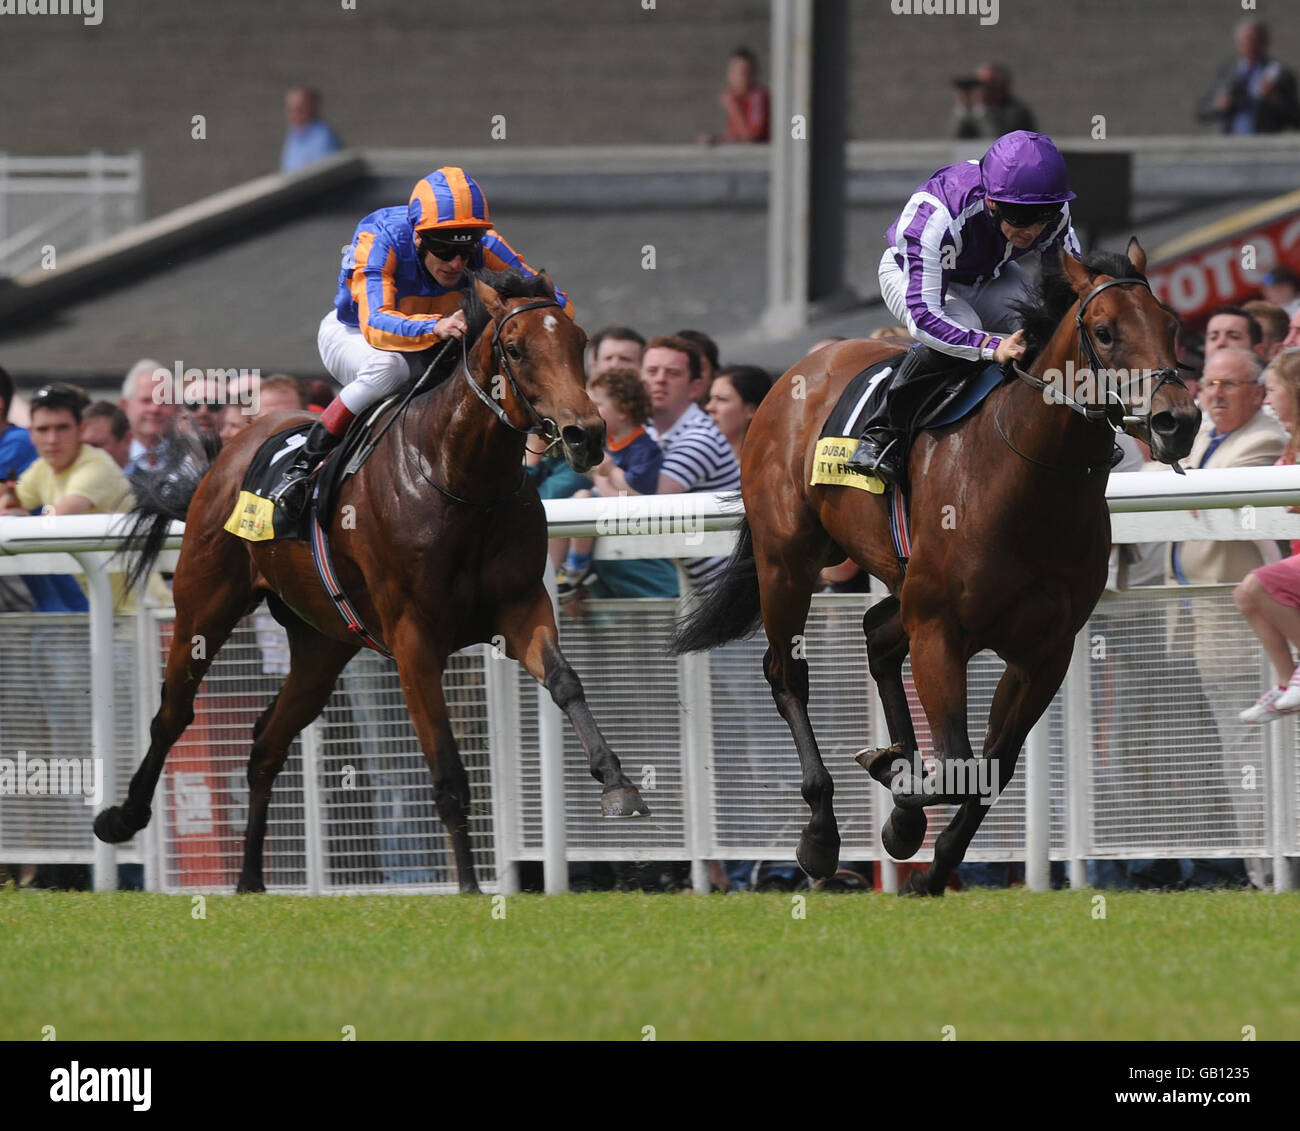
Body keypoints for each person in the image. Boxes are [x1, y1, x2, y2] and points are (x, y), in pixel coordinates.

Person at [273, 166, 571, 517]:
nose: (457, 262)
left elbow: (555, 302)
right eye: (444, 249)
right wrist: (435, 326)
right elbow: (376, 324)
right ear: (418, 238)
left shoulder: (486, 246)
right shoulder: (380, 236)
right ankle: (302, 467)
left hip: (436, 338)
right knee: (389, 367)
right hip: (354, 335)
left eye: (467, 248)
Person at [846, 131, 1081, 482]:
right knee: (966, 326)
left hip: (988, 275)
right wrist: (991, 346)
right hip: (914, 278)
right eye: (1019, 216)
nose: (1032, 230)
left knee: (1043, 327)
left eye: (1042, 216)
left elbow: (1068, 290)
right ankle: (883, 432)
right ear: (991, 202)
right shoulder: (939, 213)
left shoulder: (1055, 212)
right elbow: (925, 318)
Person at [1167, 348, 1285, 891]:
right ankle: (1252, 871)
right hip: (1192, 630)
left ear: (1259, 393)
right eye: (1209, 383)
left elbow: (1197, 497)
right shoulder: (1200, 435)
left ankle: (1276, 870)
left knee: (1258, 761)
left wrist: (1176, 485)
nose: (1213, 394)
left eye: (1229, 385)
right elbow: (1166, 481)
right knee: (1220, 761)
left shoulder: (1264, 438)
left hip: (1244, 632)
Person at [557, 367, 677, 603]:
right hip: (607, 510)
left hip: (631, 519)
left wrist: (609, 471)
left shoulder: (644, 448)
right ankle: (554, 574)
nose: (590, 411)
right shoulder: (610, 442)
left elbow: (633, 494)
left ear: (624, 411)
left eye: (598, 405)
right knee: (567, 509)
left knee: (581, 499)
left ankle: (577, 566)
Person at [1237, 349, 1300, 722]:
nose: (1269, 400)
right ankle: (1285, 680)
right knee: (1245, 594)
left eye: (1274, 390)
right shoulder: (1289, 445)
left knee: (1258, 584)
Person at [1196, 19, 1300, 135]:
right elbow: (1201, 112)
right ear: (1238, 43)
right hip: (1228, 144)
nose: (1251, 46)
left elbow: (1296, 119)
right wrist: (1219, 105)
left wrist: (1275, 98)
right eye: (1247, 41)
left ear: (1265, 42)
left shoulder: (1281, 74)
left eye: (1256, 41)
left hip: (1264, 144)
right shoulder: (1225, 72)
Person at [119, 358, 176, 483]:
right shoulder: (111, 458)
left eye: (164, 401)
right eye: (146, 401)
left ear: (177, 408)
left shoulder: (193, 461)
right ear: (125, 406)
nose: (155, 409)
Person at [701, 47, 770, 145]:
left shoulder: (758, 97)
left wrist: (733, 108)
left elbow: (752, 139)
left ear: (752, 75)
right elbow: (736, 138)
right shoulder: (737, 99)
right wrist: (716, 139)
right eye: (733, 71)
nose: (736, 77)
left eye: (742, 72)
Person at [951, 62, 1037, 140]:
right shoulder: (970, 112)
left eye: (985, 85)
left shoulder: (1016, 112)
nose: (979, 89)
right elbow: (951, 142)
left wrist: (981, 111)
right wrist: (962, 110)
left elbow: (997, 145)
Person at [705, 364, 772, 464]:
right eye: (710, 398)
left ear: (751, 410)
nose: (709, 407)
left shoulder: (773, 467)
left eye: (722, 399)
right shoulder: (696, 455)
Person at [280, 85, 342, 173]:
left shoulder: (324, 138)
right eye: (291, 110)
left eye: (300, 109)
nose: (295, 115)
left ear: (313, 108)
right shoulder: (293, 134)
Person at [81, 401, 133, 468]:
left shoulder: (146, 478)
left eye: (95, 446)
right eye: (81, 448)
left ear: (127, 440)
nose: (85, 454)